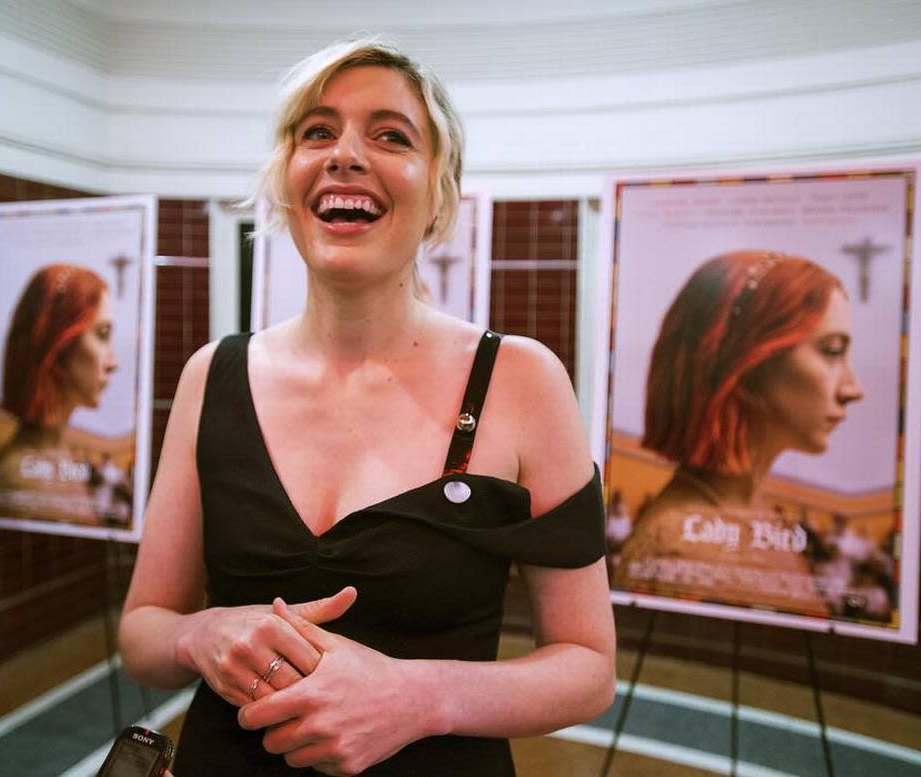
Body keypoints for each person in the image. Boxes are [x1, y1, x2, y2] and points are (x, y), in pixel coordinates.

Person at [119, 38, 616, 776]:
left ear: (439, 195)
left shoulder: (519, 379)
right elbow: (142, 631)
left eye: (391, 135)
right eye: (316, 131)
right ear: (287, 183)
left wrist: (421, 695)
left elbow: (587, 666)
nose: (345, 154)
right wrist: (203, 636)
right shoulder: (212, 375)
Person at [614, 250, 864, 616]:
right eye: (831, 351)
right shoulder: (677, 545)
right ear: (747, 358)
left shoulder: (753, 513)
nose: (853, 388)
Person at [0, 263, 118, 525]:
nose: (113, 362)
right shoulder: (19, 479)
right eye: (101, 335)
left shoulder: (60, 455)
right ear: (59, 346)